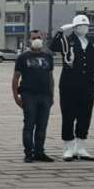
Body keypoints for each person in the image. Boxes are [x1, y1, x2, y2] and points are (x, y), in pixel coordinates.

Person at [50, 14, 94, 161]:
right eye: (80, 26)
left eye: (86, 26)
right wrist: (60, 31)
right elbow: (53, 47)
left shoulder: (93, 42)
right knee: (68, 116)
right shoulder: (67, 41)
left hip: (87, 85)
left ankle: (80, 147)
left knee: (85, 116)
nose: (83, 28)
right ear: (74, 28)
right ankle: (68, 147)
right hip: (69, 85)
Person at [12, 30, 55, 163]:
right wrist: (16, 96)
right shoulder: (23, 57)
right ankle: (28, 153)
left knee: (42, 126)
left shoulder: (48, 56)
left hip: (45, 95)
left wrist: (52, 95)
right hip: (29, 95)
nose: (37, 40)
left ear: (42, 40)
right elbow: (16, 77)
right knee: (29, 125)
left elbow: (51, 77)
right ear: (29, 41)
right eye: (34, 38)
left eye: (38, 38)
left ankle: (39, 152)